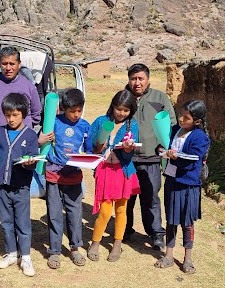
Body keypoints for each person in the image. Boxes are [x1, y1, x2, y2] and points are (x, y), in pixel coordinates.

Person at [0, 46, 42, 236]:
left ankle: (18, 223)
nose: (8, 67)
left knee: (19, 185)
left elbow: (36, 113)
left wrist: (26, 133)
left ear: (19, 64)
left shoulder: (28, 86)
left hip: (20, 146)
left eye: (12, 63)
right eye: (4, 63)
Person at [124, 63, 177, 250]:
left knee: (151, 197)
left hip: (152, 157)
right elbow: (113, 119)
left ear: (148, 80)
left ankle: (156, 234)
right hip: (127, 158)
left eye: (140, 79)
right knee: (126, 198)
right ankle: (124, 230)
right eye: (133, 78)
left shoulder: (160, 98)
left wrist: (164, 143)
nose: (137, 83)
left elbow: (171, 122)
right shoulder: (124, 97)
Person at [154, 100, 210, 274]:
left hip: (188, 185)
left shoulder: (200, 137)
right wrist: (161, 150)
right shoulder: (174, 131)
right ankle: (169, 255)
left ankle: (188, 258)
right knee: (171, 219)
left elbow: (194, 157)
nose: (181, 119)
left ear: (197, 122)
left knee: (187, 222)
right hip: (172, 181)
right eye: (181, 115)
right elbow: (162, 146)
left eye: (186, 117)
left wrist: (176, 156)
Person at [0, 93, 39, 277]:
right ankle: (11, 253)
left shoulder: (31, 136)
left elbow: (35, 159)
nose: (11, 119)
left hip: (21, 187)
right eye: (7, 115)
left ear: (23, 114)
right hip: (2, 186)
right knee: (6, 222)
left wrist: (29, 164)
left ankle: (25, 257)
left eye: (15, 115)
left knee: (23, 223)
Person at [87, 90, 140, 263]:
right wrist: (98, 145)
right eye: (119, 109)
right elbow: (90, 145)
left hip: (122, 171)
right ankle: (95, 242)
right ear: (113, 106)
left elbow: (129, 157)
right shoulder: (101, 121)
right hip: (104, 171)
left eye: (126, 110)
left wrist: (127, 149)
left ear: (131, 111)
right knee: (104, 210)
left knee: (121, 209)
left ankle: (117, 243)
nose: (121, 113)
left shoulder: (133, 126)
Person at [43, 88, 91, 269]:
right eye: (72, 111)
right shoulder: (53, 123)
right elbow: (43, 142)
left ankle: (75, 248)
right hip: (54, 175)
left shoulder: (84, 126)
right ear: (63, 108)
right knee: (54, 213)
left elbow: (89, 150)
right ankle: (54, 251)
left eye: (79, 111)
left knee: (75, 213)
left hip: (74, 176)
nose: (76, 115)